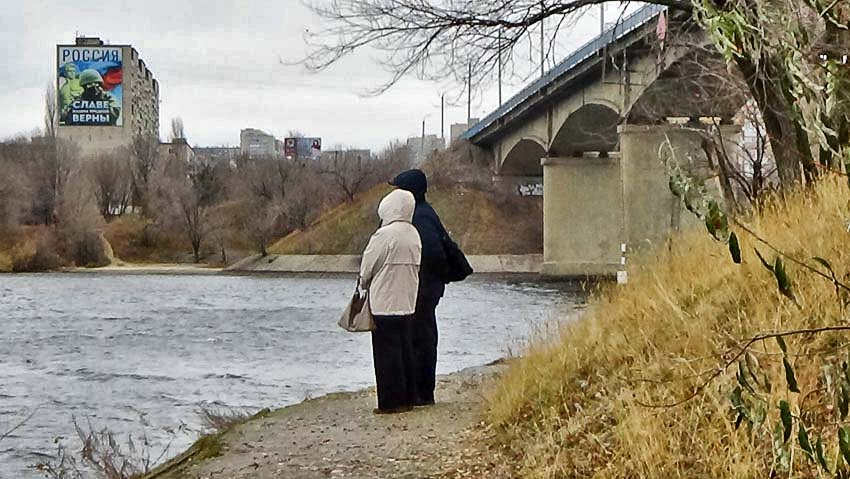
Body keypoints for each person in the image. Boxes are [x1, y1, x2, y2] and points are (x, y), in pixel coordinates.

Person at [389, 169, 449, 406]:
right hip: (425, 289)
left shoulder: (419, 217)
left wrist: (423, 281)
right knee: (421, 337)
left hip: (420, 291)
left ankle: (421, 392)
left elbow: (432, 253)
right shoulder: (425, 213)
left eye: (398, 189)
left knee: (420, 339)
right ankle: (420, 391)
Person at [359, 188, 422, 414]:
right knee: (405, 349)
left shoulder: (384, 235)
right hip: (407, 299)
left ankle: (389, 401)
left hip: (385, 300)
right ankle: (408, 398)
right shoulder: (414, 233)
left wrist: (363, 282)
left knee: (385, 353)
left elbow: (367, 267)